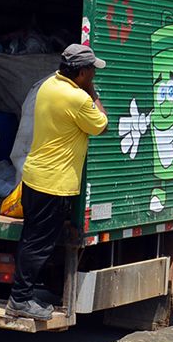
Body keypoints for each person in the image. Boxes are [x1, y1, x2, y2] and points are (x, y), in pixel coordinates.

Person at [8, 43, 109, 320]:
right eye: (91, 72)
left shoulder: (49, 85)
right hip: (53, 183)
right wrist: (92, 93)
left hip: (35, 177)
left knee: (31, 239)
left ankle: (23, 295)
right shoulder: (76, 98)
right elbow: (102, 124)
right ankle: (20, 299)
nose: (94, 77)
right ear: (81, 73)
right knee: (38, 243)